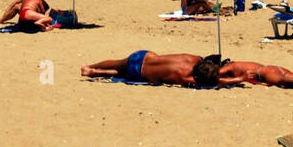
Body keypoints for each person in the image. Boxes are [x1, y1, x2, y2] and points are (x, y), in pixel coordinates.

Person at [81, 51, 219, 86]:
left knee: (118, 64)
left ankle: (92, 68)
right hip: (139, 73)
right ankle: (92, 72)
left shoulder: (192, 59)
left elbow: (202, 58)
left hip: (145, 56)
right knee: (121, 72)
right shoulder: (183, 77)